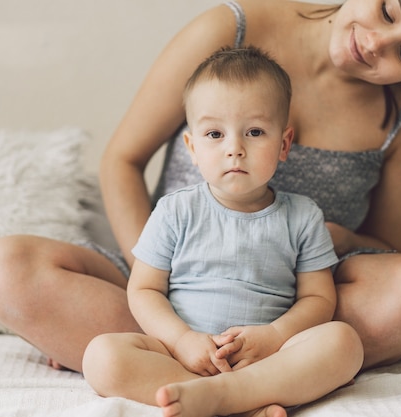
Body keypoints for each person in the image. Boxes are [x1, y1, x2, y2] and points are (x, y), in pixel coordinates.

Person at [0, 0, 401, 376]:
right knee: (3, 266)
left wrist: (327, 239)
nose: (374, 43)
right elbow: (122, 160)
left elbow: (382, 246)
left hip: (292, 304)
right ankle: (198, 355)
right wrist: (154, 283)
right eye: (388, 10)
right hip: (169, 281)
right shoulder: (229, 31)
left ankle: (200, 364)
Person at [81, 46, 364, 417]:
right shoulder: (175, 210)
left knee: (343, 342)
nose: (235, 149)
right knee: (101, 357)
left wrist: (276, 336)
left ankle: (228, 396)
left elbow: (319, 300)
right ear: (192, 148)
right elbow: (145, 288)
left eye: (255, 132)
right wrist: (181, 340)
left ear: (284, 144)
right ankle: (235, 402)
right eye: (215, 133)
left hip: (265, 360)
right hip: (185, 357)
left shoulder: (303, 217)